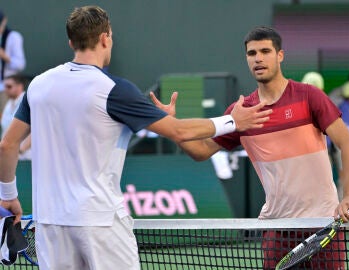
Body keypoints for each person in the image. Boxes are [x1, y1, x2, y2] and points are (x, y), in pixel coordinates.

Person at [0, 6, 272, 270]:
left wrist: (8, 195)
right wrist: (234, 121)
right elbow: (180, 131)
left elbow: (7, 144)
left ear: (72, 41)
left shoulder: (38, 85)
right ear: (106, 38)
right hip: (100, 222)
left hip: (50, 224)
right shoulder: (112, 89)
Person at [151, 26, 349, 269]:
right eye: (252, 53)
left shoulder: (308, 97)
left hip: (324, 223)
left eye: (265, 51)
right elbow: (201, 151)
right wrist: (171, 126)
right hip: (276, 228)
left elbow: (348, 145)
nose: (258, 58)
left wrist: (347, 197)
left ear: (280, 55)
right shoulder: (240, 113)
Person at [0, 9, 26, 121]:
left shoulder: (13, 37)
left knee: (7, 121)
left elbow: (20, 65)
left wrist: (4, 55)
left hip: (4, 88)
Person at [1, 74, 31, 159]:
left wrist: (21, 150)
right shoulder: (9, 103)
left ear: (20, 86)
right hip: (10, 155)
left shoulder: (28, 101)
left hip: (27, 158)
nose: (6, 90)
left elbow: (37, 129)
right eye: (5, 87)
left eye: (9, 86)